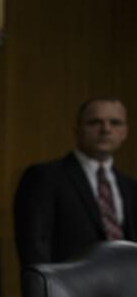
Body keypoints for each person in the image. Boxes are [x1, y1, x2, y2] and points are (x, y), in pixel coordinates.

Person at [14, 97, 136, 268]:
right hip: (71, 289)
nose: (106, 129)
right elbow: (34, 246)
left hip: (126, 289)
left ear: (125, 132)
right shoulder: (45, 177)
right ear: (77, 129)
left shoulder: (131, 187)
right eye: (95, 122)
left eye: (115, 123)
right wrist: (46, 290)